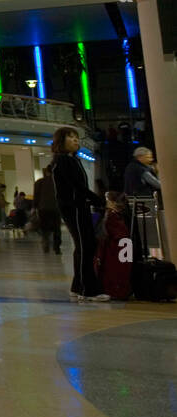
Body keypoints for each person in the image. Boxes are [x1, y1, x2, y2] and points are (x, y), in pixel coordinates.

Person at [49, 126, 111, 302]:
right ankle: (88, 290)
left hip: (77, 207)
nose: (75, 140)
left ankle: (78, 286)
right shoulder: (63, 161)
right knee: (86, 246)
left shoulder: (70, 159)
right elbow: (78, 187)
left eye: (76, 137)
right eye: (70, 137)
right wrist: (101, 202)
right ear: (61, 141)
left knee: (83, 246)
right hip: (74, 208)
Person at [94, 192, 132, 300]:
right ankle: (122, 289)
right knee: (123, 270)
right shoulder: (124, 216)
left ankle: (113, 289)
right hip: (125, 250)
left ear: (111, 202)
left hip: (113, 250)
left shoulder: (109, 216)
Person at [33, 167, 62, 254]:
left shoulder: (39, 182)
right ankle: (57, 247)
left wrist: (34, 207)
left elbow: (36, 195)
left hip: (43, 208)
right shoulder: (59, 182)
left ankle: (46, 243)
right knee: (57, 228)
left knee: (44, 228)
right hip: (56, 208)